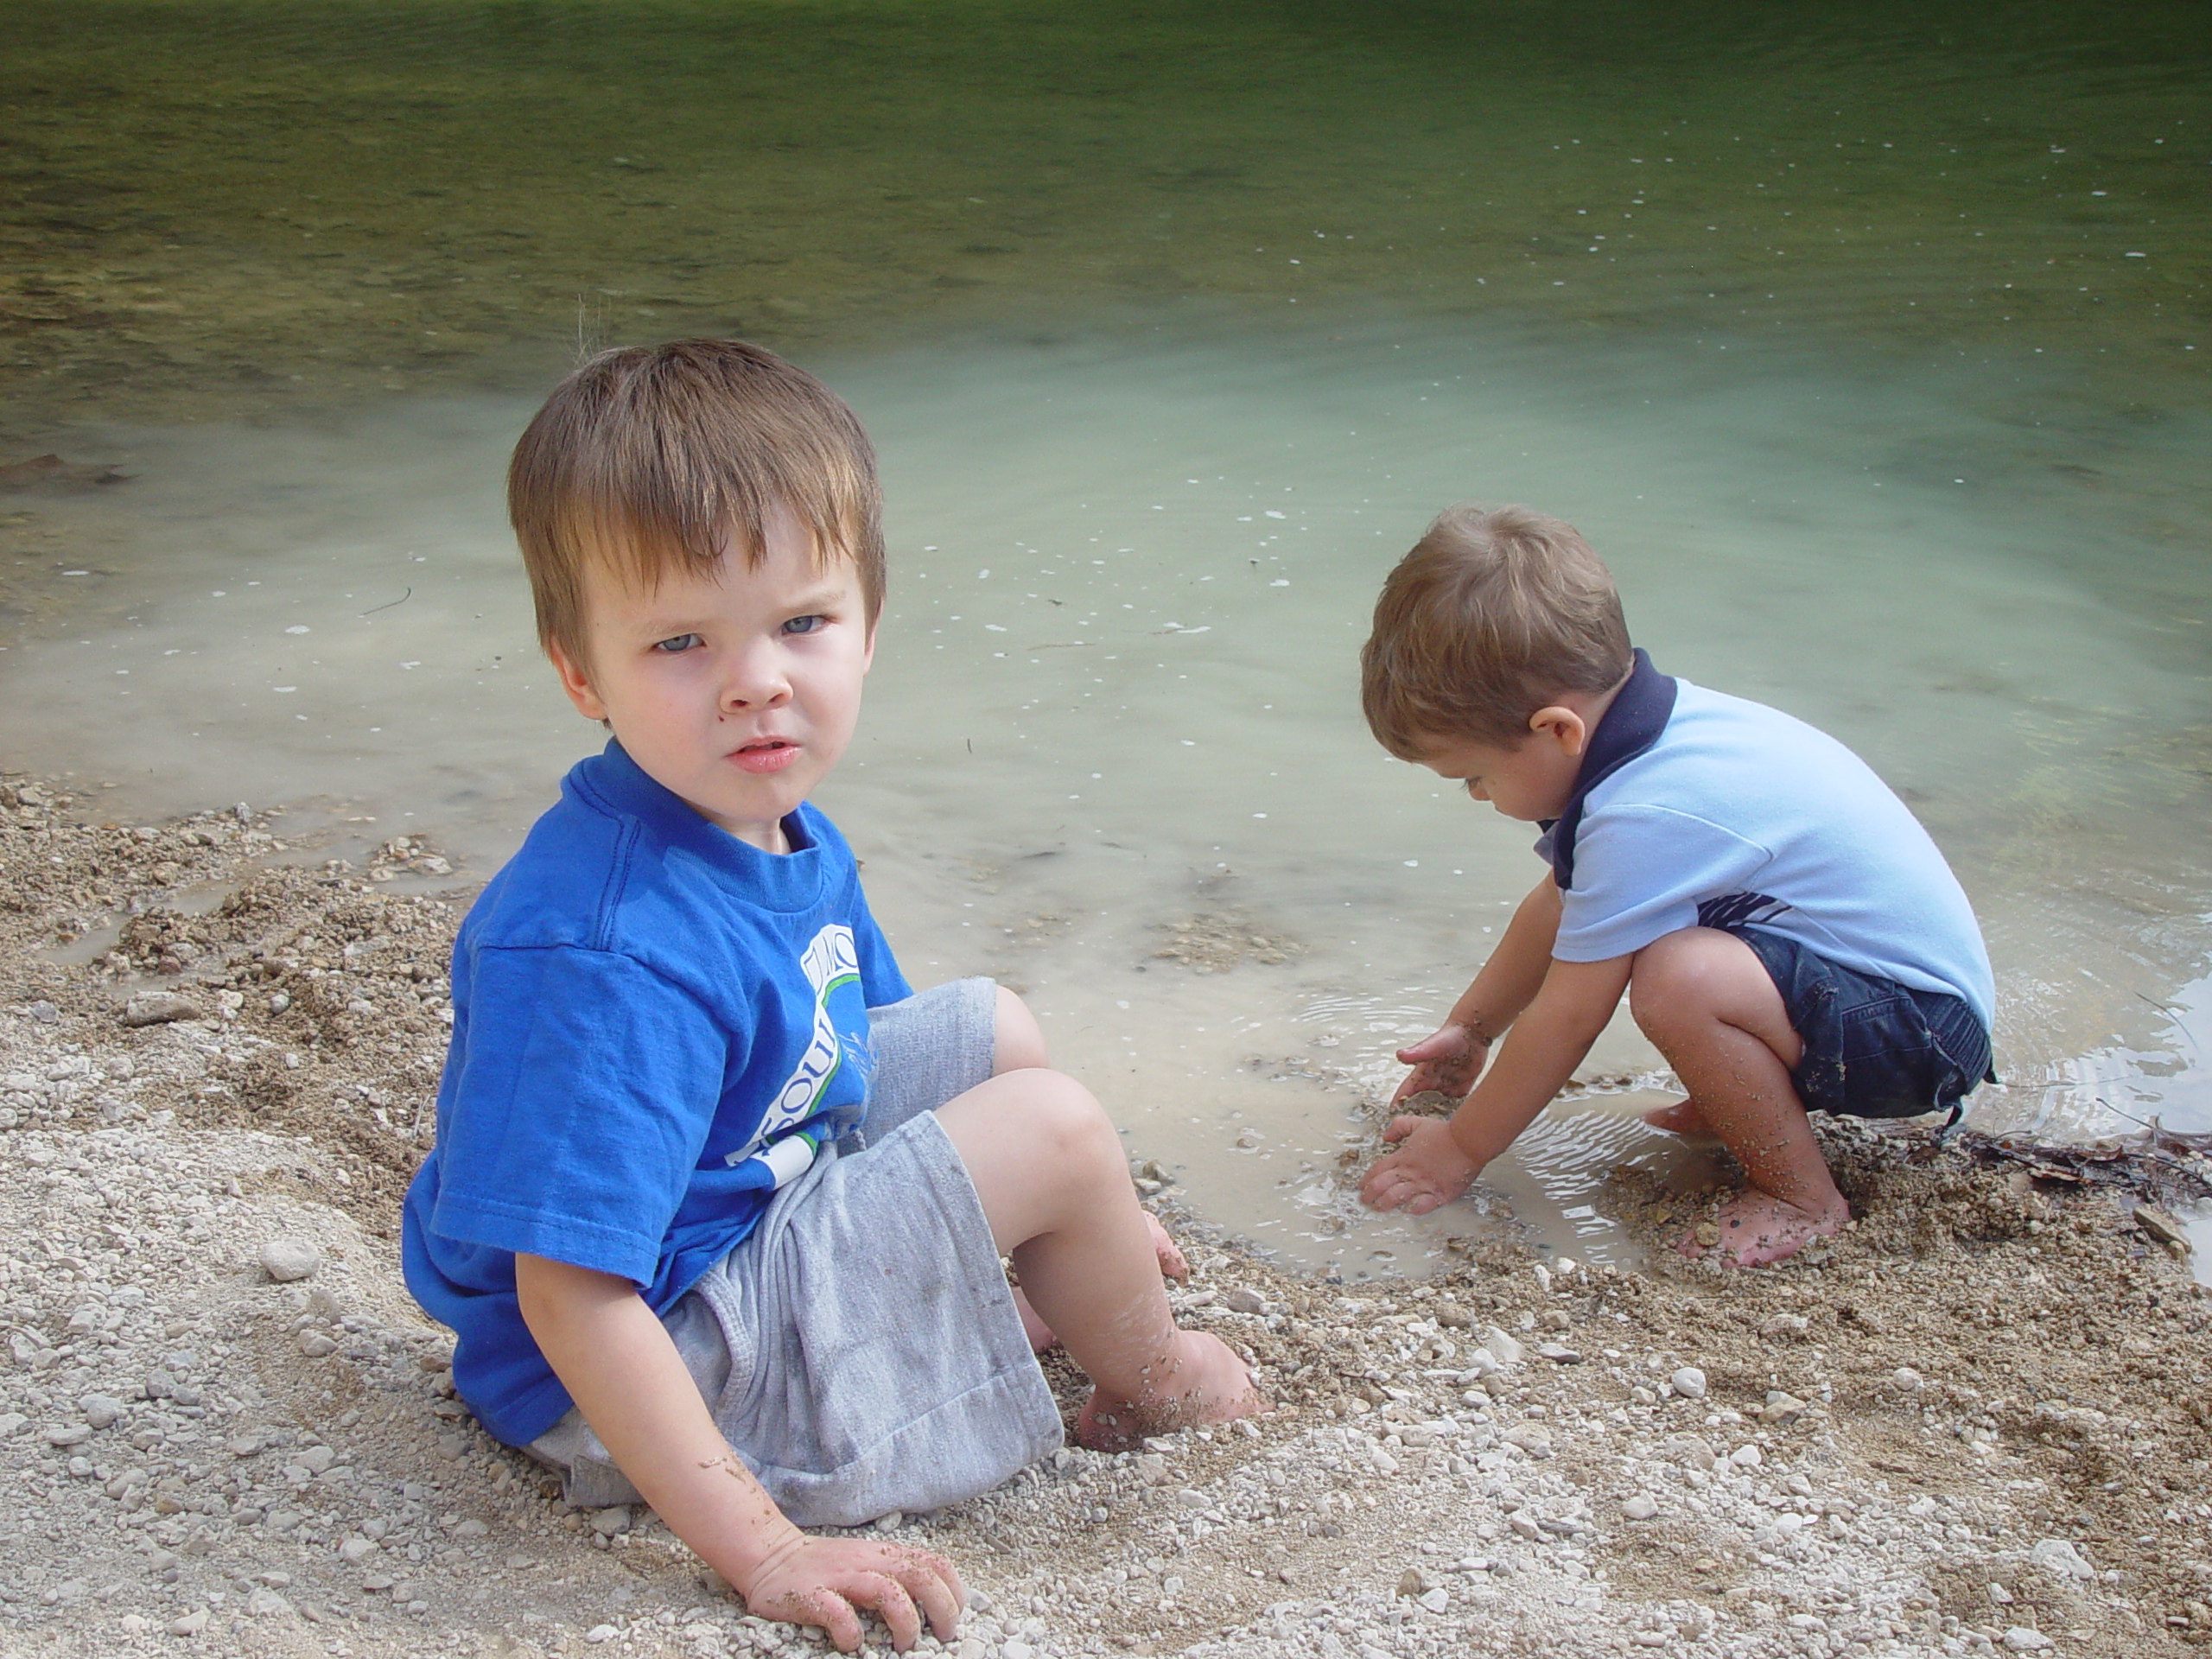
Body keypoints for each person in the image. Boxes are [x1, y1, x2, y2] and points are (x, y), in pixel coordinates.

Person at [400, 340, 1260, 1654]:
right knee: (1061, 1130)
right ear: (581, 672)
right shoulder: (604, 948)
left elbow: (859, 1049)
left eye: (801, 623)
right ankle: (1155, 1381)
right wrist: (768, 1546)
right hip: (658, 1363)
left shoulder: (771, 816)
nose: (758, 680)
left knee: (999, 1035)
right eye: (682, 642)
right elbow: (568, 1297)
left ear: (867, 626)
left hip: (740, 1212)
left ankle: (1037, 1282)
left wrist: (986, 1221)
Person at [1353, 504, 1994, 1268]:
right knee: (1667, 948)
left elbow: (1567, 1018)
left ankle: (1802, 1197)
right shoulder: (1654, 739)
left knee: (1678, 976)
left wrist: (1458, 1149)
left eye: (1473, 778)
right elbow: (1561, 903)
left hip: (1918, 1033)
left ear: (1557, 731)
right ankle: (1748, 1097)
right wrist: (1474, 1030)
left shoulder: (1643, 814)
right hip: (1888, 996)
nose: (1479, 799)